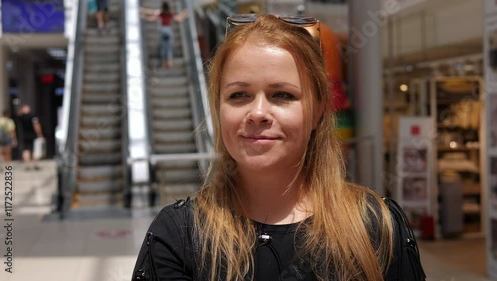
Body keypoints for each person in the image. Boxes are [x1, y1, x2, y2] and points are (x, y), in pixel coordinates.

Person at [132, 14, 425, 280]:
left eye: (282, 95)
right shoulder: (178, 236)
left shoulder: (376, 227)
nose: (258, 113)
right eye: (239, 95)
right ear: (218, 107)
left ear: (318, 108)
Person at [140, 2, 188, 68]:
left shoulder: (160, 13)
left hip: (162, 31)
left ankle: (163, 63)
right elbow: (179, 19)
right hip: (168, 31)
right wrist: (184, 14)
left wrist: (143, 16)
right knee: (169, 47)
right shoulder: (170, 13)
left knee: (163, 47)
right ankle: (169, 63)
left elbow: (150, 18)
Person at [17, 104, 43, 170]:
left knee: (26, 150)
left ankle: (27, 165)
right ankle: (36, 164)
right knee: (35, 149)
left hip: (25, 135)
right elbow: (36, 125)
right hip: (33, 135)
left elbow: (18, 114)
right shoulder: (32, 116)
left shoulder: (21, 117)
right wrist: (39, 134)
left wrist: (21, 111)